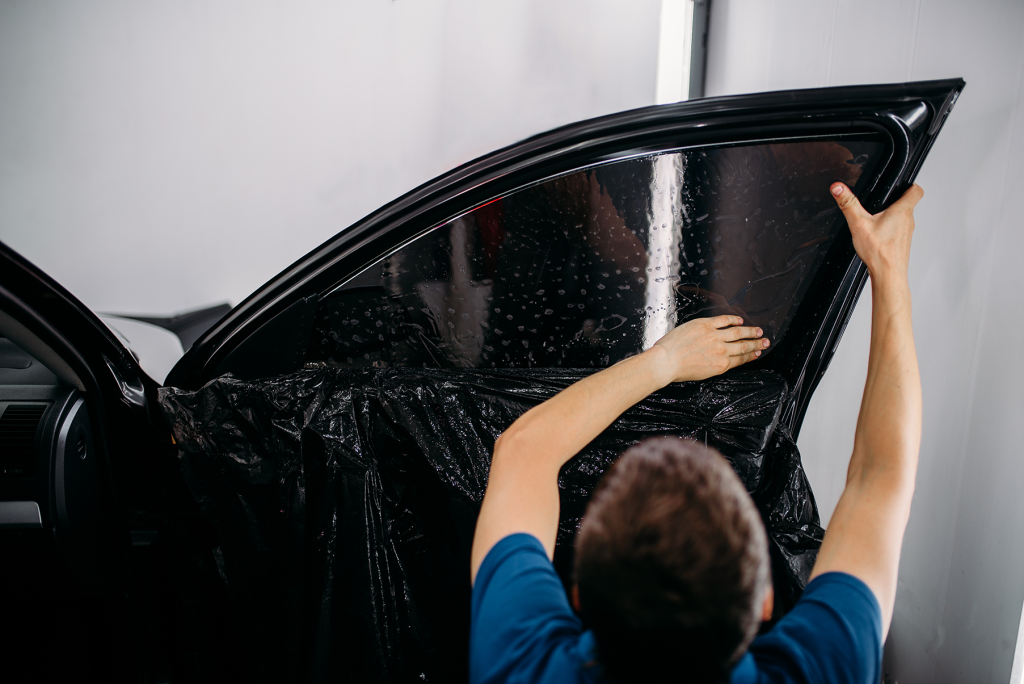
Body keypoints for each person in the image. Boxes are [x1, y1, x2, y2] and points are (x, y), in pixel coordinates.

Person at [469, 181, 924, 683]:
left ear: (577, 594)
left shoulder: (522, 664)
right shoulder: (821, 668)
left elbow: (522, 448)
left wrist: (662, 363)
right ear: (766, 601)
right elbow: (880, 474)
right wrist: (887, 270)